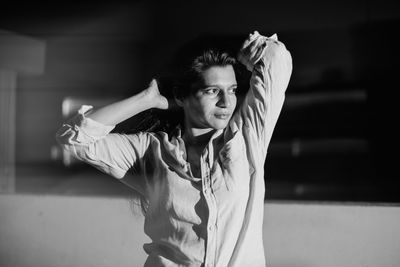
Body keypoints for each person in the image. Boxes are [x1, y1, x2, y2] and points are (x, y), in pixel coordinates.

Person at [56, 31, 292, 267]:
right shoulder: (150, 150)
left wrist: (241, 50)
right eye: (212, 91)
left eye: (231, 90)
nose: (226, 102)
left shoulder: (247, 137)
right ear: (181, 96)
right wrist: (147, 99)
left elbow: (276, 57)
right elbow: (74, 139)